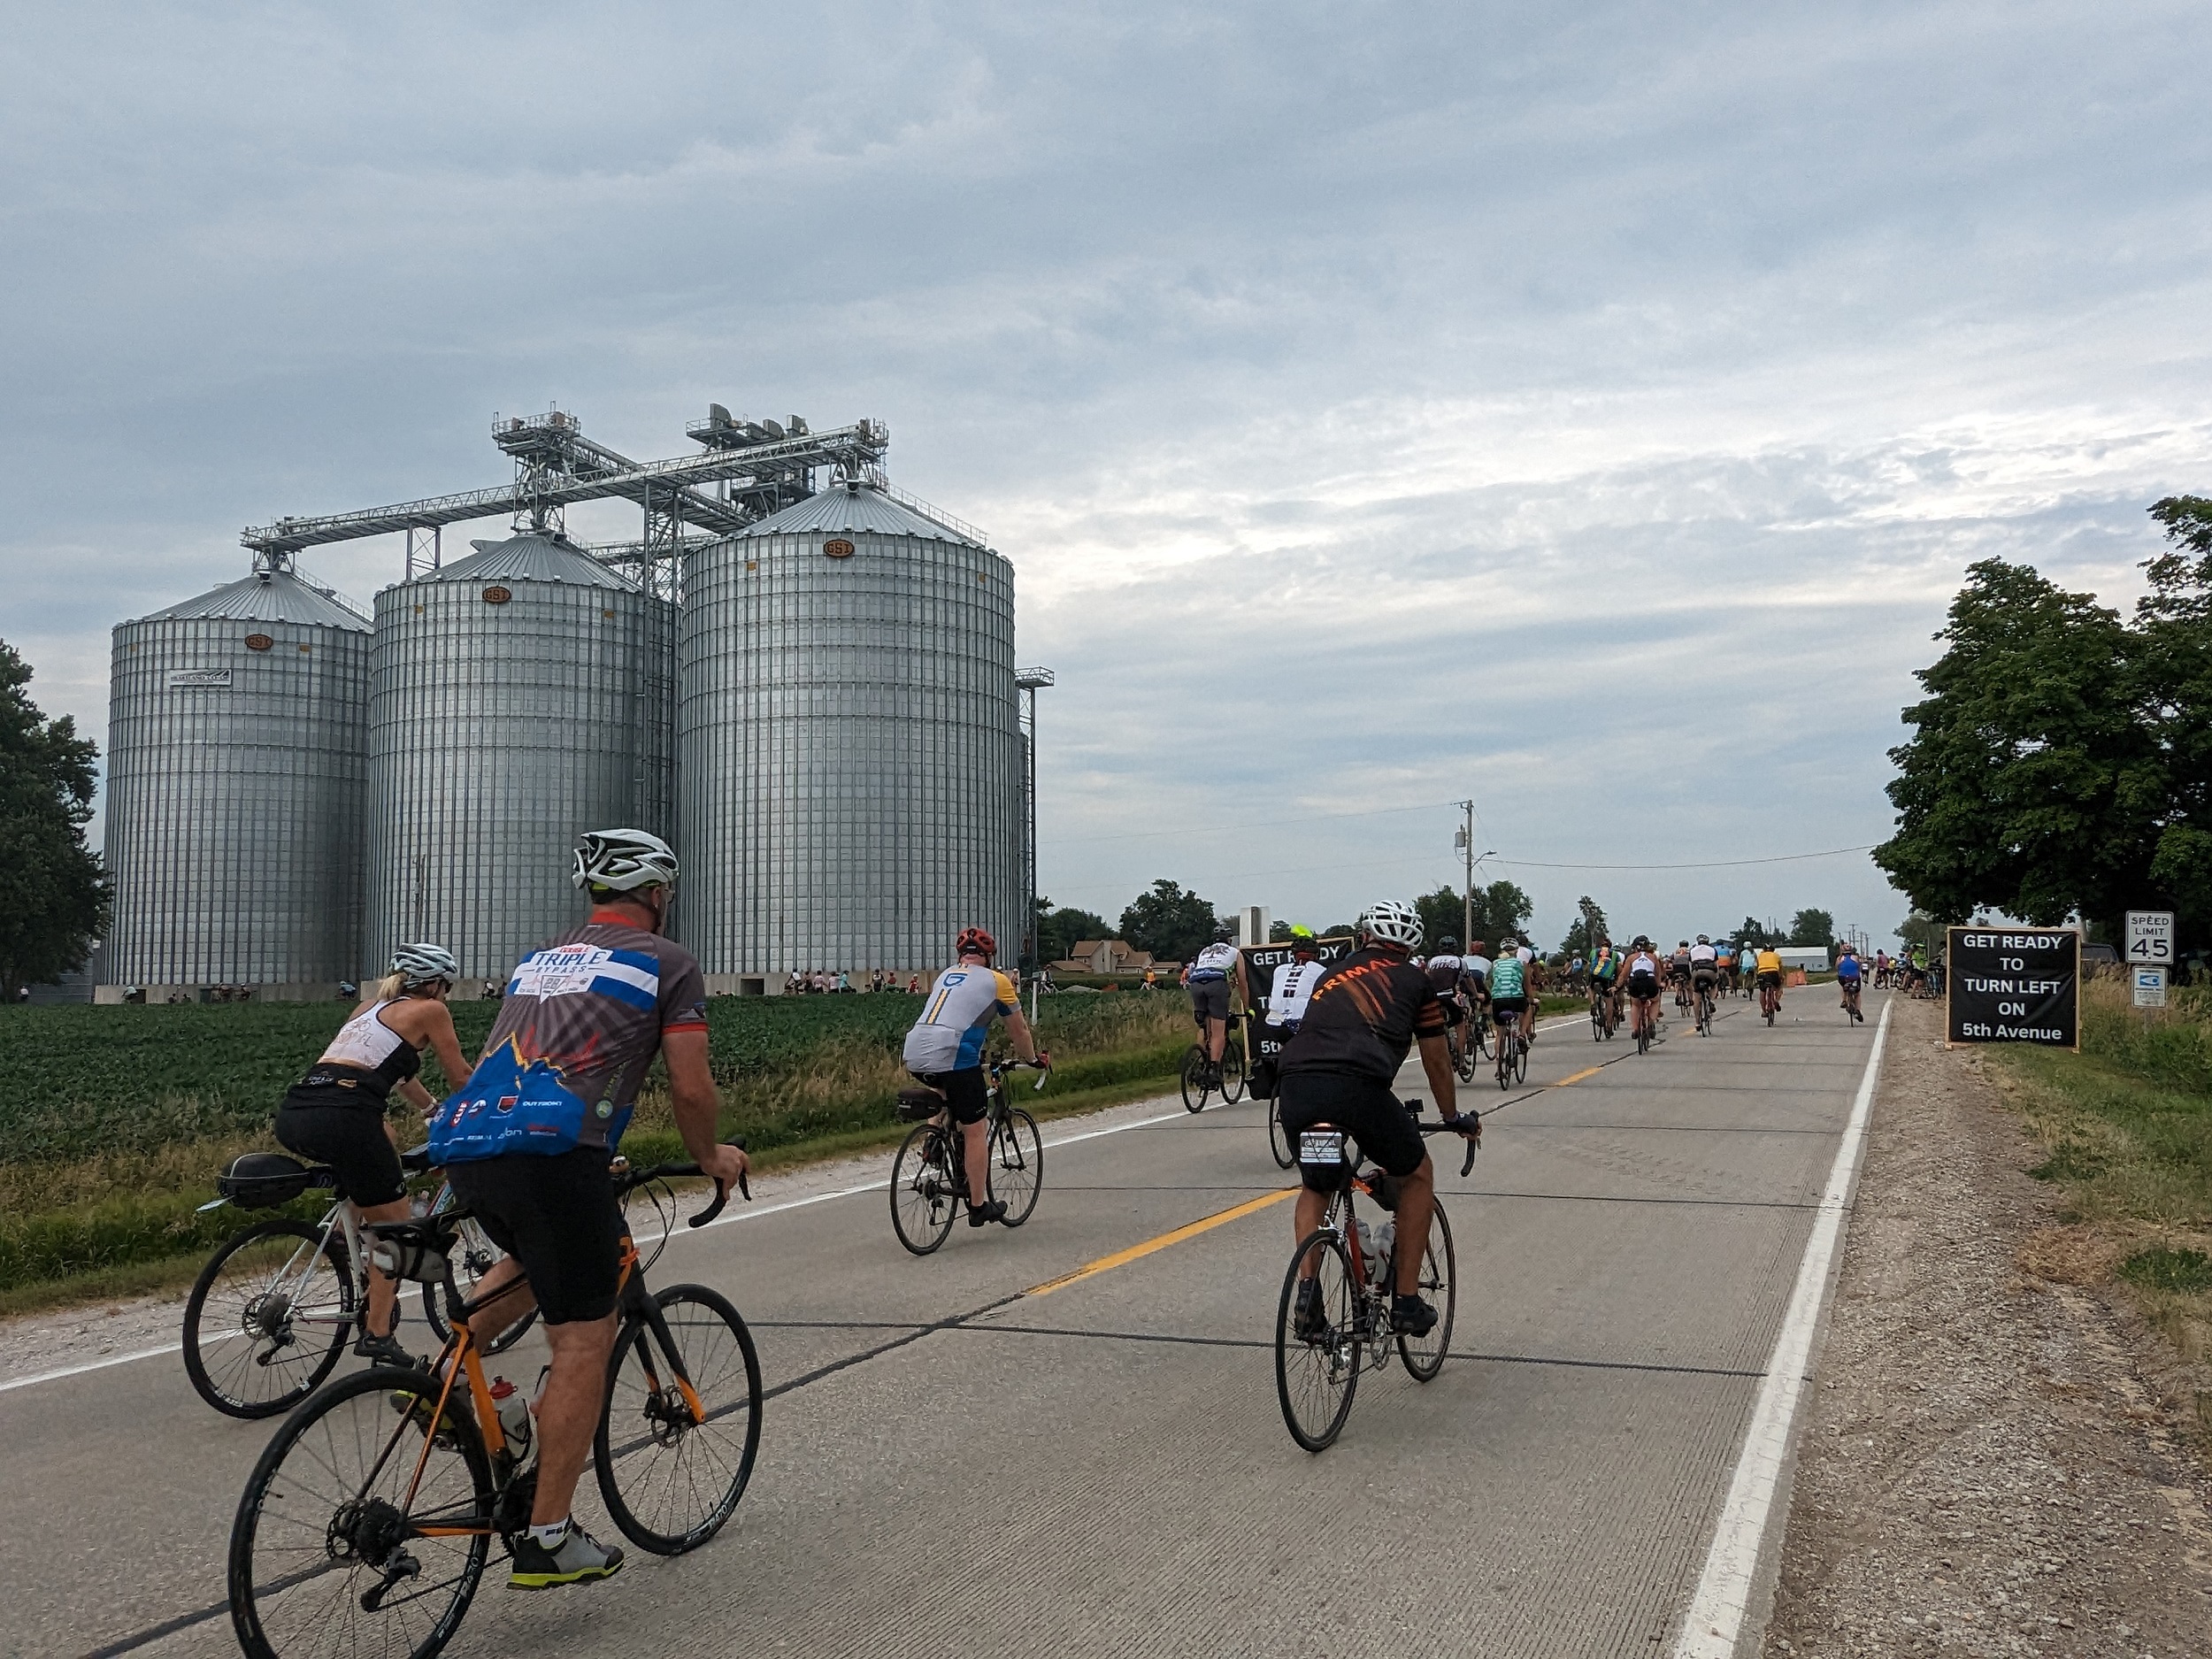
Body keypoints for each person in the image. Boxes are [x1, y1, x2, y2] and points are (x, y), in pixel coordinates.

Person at [430, 828, 749, 1592]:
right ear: (657, 891)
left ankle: (447, 1386)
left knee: (534, 1265)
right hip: (553, 1156)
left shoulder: (542, 956)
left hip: (471, 1144)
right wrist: (711, 1157)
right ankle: (546, 1535)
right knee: (583, 1338)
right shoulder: (667, 961)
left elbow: (530, 1056)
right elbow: (691, 1085)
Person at [1277, 900, 1480, 1338]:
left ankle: (1308, 1297)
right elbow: (1436, 1058)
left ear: (1366, 937)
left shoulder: (1332, 974)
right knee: (1418, 1173)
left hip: (1294, 1083)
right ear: (1409, 946)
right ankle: (1406, 1301)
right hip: (1357, 1085)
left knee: (1316, 1185)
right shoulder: (1415, 979)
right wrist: (1451, 1115)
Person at [273, 943, 467, 1367]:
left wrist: (431, 1110)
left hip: (298, 1112)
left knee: (385, 1133)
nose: (446, 995)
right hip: (346, 1118)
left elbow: (387, 1072)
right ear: (434, 984)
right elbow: (462, 1077)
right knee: (399, 1230)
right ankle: (377, 1334)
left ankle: (349, 1235)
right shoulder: (431, 1011)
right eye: (445, 987)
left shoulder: (368, 1006)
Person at [902, 928, 1045, 1227]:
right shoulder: (998, 981)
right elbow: (1019, 1031)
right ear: (989, 957)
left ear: (961, 956)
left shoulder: (946, 974)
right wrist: (1032, 1059)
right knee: (975, 1129)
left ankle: (934, 1143)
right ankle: (979, 1206)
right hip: (954, 1053)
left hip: (914, 1049)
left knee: (944, 1093)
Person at [1182, 921, 1240, 1085]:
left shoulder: (1204, 951)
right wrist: (1248, 1007)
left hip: (1197, 985)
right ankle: (1214, 1069)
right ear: (1229, 940)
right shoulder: (1235, 952)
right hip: (1216, 985)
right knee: (1218, 1031)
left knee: (1203, 1026)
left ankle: (1200, 1064)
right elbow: (1243, 982)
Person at [1489, 934, 1534, 1047]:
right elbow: (1527, 986)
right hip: (1516, 998)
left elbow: (1493, 981)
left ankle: (1499, 1059)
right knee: (1528, 1009)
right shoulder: (1521, 964)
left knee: (1500, 1034)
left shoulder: (1495, 963)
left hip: (1497, 999)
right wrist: (1531, 999)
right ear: (1516, 950)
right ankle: (1522, 1035)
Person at [1624, 935, 1664, 1043]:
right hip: (1649, 981)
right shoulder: (1653, 957)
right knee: (1655, 1000)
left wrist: (1618, 986)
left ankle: (1636, 1029)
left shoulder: (1631, 958)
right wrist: (1659, 984)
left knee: (1635, 1004)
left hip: (1635, 982)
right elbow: (1657, 974)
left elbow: (1624, 974)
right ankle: (1651, 1021)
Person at [1588, 937, 1622, 1028]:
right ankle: (1609, 1025)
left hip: (1594, 975)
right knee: (1609, 1002)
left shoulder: (1593, 952)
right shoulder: (1615, 954)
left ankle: (1592, 1002)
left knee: (1590, 988)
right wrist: (1618, 980)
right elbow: (1619, 969)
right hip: (1607, 978)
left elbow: (1590, 963)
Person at [1689, 935, 1719, 1020]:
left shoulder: (1692, 950)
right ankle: (1712, 1000)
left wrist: (1692, 978)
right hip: (1709, 972)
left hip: (1697, 972)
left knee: (1697, 995)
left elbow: (1690, 966)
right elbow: (1716, 965)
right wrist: (1717, 976)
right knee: (1714, 985)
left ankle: (1697, 1022)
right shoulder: (1713, 950)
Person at [1754, 940, 1786, 1017]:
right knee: (1779, 986)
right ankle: (1776, 1000)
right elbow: (1780, 968)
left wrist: (1756, 977)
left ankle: (1764, 1011)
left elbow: (1756, 967)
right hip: (1773, 973)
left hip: (1762, 974)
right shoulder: (1777, 956)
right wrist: (1782, 976)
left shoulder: (1760, 956)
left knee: (1762, 991)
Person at [1836, 942, 1864, 1022]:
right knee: (1857, 994)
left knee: (1843, 987)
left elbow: (1837, 967)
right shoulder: (1855, 957)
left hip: (1843, 977)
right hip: (1854, 977)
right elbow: (1859, 966)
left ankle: (1844, 1000)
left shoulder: (1839, 958)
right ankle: (1857, 1010)